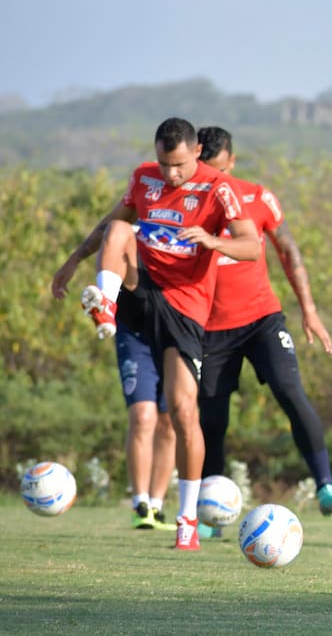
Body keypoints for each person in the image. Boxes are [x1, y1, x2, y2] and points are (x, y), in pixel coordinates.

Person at [78, 117, 261, 550]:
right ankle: (106, 304)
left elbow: (252, 246)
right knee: (119, 230)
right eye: (164, 164)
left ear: (197, 152)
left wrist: (214, 242)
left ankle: (187, 520)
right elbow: (110, 226)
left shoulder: (220, 188)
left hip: (185, 305)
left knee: (182, 411)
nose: (171, 173)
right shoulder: (144, 178)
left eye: (178, 164)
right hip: (143, 288)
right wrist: (72, 262)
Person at [194, 126, 332, 529]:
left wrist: (309, 310)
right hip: (209, 329)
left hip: (261, 319)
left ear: (232, 162)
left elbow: (288, 249)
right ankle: (211, 513)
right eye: (208, 172)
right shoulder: (188, 204)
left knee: (290, 392)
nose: (216, 180)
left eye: (220, 171)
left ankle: (326, 488)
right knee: (212, 420)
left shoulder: (257, 197)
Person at [53, 223, 177, 533]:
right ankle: (140, 504)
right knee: (143, 416)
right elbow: (104, 231)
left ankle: (157, 506)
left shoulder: (182, 231)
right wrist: (73, 261)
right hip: (133, 334)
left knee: (170, 420)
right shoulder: (130, 229)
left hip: (174, 332)